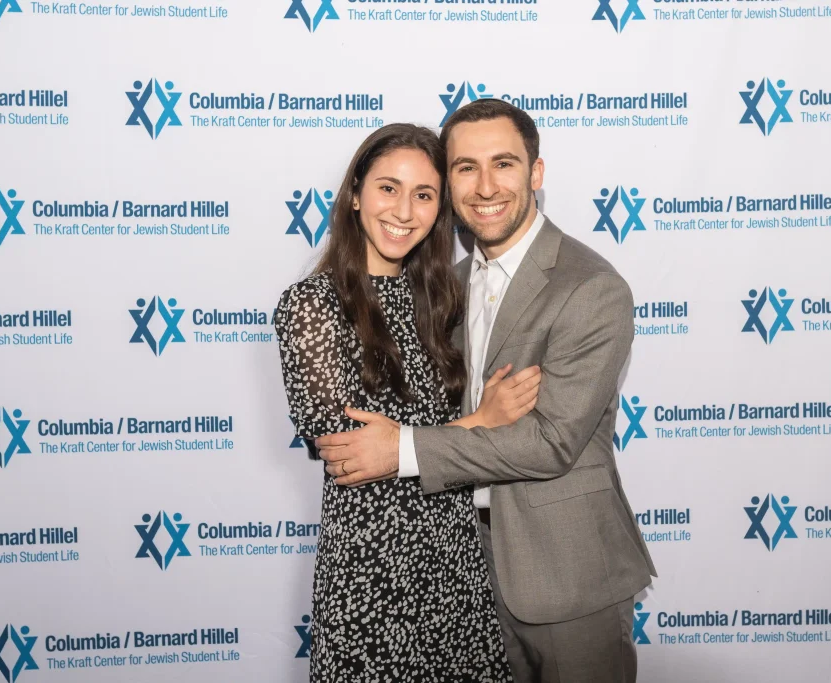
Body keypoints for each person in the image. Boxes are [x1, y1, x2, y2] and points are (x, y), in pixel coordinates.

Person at [314, 100, 657, 683]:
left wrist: (401, 450)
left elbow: (550, 443)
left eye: (504, 163)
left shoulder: (591, 287)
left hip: (565, 574)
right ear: (449, 183)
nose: (486, 185)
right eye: (465, 167)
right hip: (464, 577)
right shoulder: (448, 285)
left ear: (536, 174)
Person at [274, 123, 541, 682]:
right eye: (387, 188)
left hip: (455, 561)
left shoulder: (441, 299)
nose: (404, 210)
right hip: (373, 572)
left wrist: (414, 441)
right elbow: (345, 449)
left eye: (424, 195)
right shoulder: (313, 305)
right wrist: (482, 421)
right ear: (355, 194)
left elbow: (396, 446)